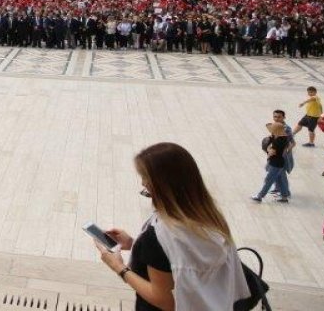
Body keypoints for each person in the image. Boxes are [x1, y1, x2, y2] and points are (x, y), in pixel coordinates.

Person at [96, 142, 249, 310]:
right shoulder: (210, 218)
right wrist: (134, 244)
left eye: (146, 178)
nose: (143, 183)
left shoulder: (158, 236)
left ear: (160, 185)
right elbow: (180, 257)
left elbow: (165, 301)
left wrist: (119, 267)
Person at [251, 121, 291, 203]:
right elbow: (288, 146)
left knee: (268, 180)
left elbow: (272, 152)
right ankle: (284, 197)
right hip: (280, 162)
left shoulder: (278, 141)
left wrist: (268, 150)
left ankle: (259, 196)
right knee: (279, 180)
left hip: (275, 163)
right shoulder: (284, 138)